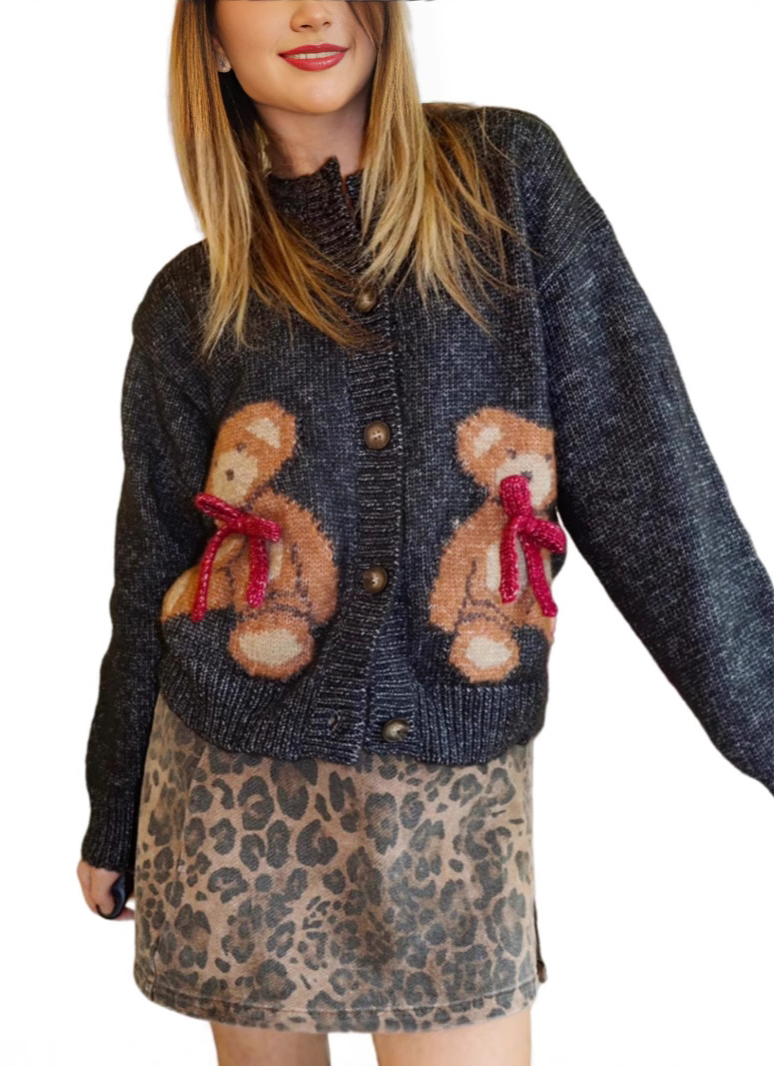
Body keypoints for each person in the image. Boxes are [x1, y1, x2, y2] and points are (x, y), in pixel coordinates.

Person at [76, 2, 774, 1065]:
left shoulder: (505, 182)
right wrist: (114, 804)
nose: (311, 10)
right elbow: (152, 570)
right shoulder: (193, 298)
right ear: (209, 31)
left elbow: (649, 477)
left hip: (453, 779)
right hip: (229, 781)